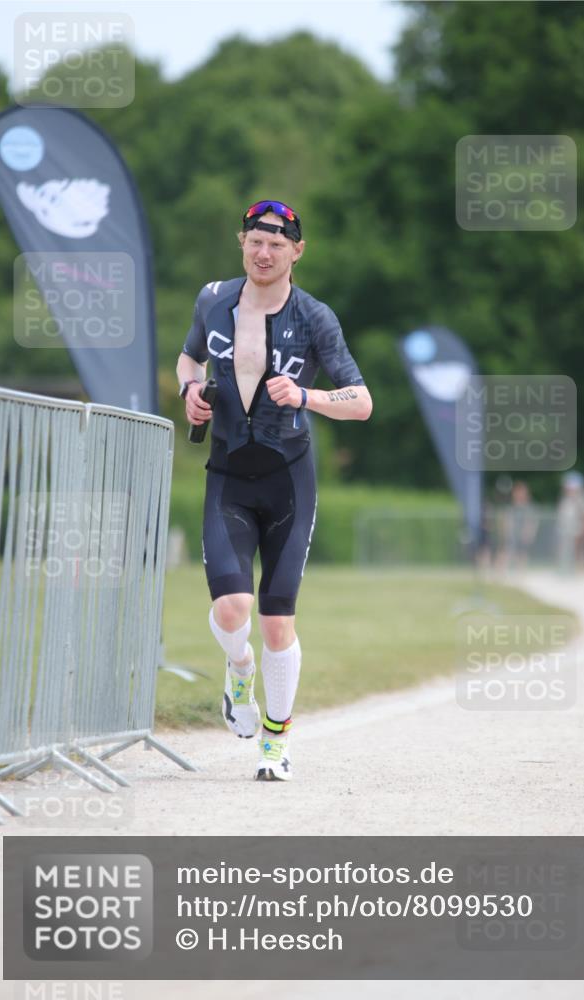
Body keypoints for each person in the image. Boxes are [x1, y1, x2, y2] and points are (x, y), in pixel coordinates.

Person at [176, 200, 372, 781]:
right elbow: (189, 357)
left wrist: (307, 397)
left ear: (296, 252)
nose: (264, 254)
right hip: (228, 477)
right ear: (242, 242)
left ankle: (275, 741)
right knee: (231, 607)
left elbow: (360, 401)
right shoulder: (213, 299)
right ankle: (239, 673)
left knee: (276, 621)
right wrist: (189, 390)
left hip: (290, 480)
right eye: (255, 242)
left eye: (277, 245)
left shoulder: (314, 318)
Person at [555, 471, 584, 574]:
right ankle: (565, 569)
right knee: (563, 550)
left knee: (578, 550)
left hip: (577, 528)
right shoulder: (564, 498)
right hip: (564, 528)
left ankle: (579, 570)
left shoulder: (582, 498)